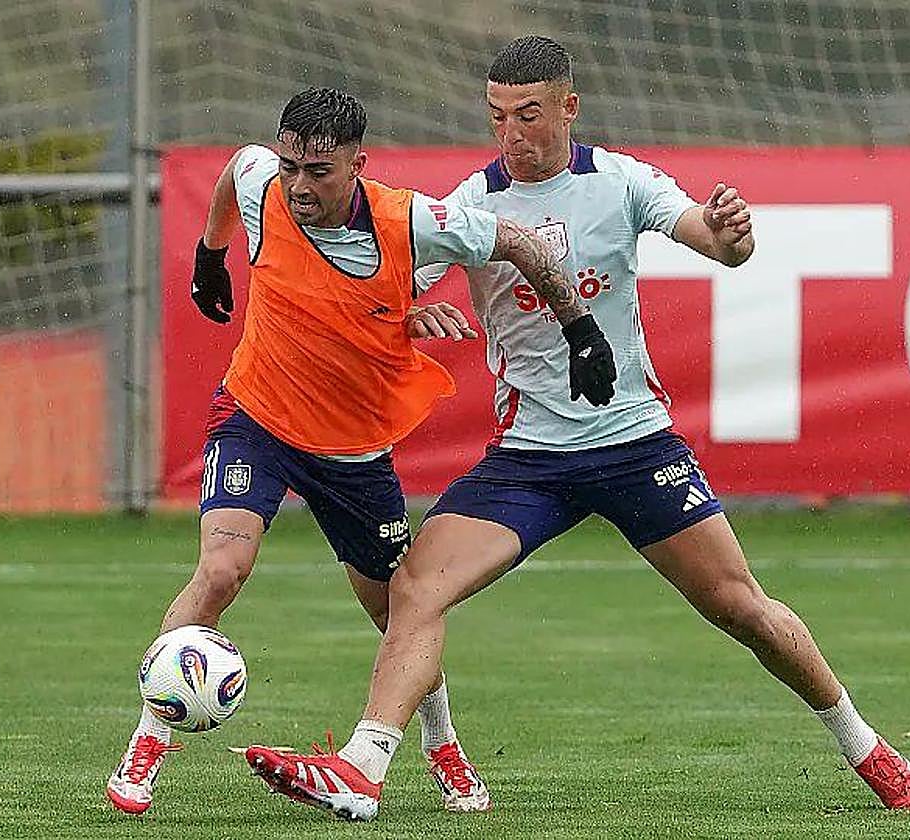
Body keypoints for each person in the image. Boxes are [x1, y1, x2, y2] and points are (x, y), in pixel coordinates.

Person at [244, 37, 910, 821]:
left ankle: (870, 750)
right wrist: (411, 313)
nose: (511, 134)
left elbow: (715, 242)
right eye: (497, 117)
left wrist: (733, 234)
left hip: (634, 445)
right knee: (415, 587)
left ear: (569, 107)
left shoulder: (621, 180)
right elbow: (388, 288)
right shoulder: (470, 205)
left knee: (741, 607)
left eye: (528, 114)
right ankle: (364, 767)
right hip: (528, 460)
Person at [106, 85, 618, 816]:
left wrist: (580, 330)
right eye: (291, 167)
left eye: (318, 171)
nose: (298, 185)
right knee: (222, 569)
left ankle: (442, 746)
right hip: (257, 417)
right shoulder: (262, 185)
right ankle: (149, 740)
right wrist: (210, 254)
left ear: (358, 164)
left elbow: (520, 245)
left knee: (398, 613)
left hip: (353, 450)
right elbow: (233, 172)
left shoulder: (413, 220)